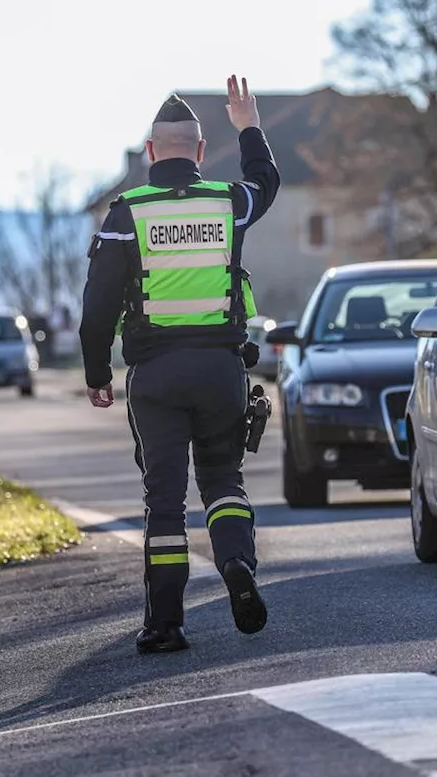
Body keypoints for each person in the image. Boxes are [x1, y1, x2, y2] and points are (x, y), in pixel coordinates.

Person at [78, 75, 281, 654]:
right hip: (221, 373)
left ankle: (165, 623)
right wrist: (249, 128)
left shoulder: (126, 215)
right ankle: (237, 563)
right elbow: (265, 183)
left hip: (156, 379)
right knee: (224, 482)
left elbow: (97, 307)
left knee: (164, 502)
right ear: (199, 152)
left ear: (148, 153)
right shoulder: (226, 202)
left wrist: (97, 374)